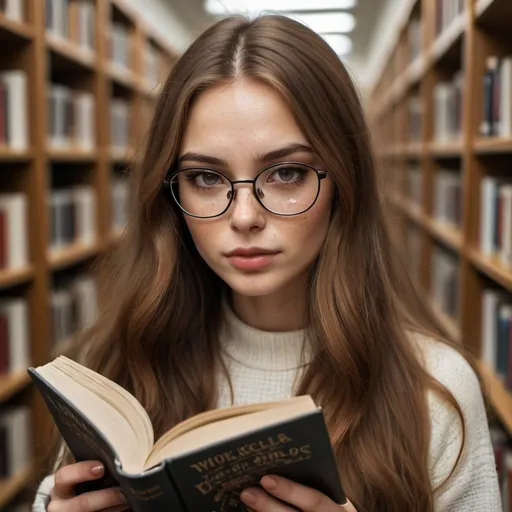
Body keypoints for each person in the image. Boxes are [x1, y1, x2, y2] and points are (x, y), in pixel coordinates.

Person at [32, 14, 501, 512]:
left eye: (287, 173)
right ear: (170, 193)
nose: (245, 216)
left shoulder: (435, 391)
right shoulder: (116, 367)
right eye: (206, 178)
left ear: (344, 180)